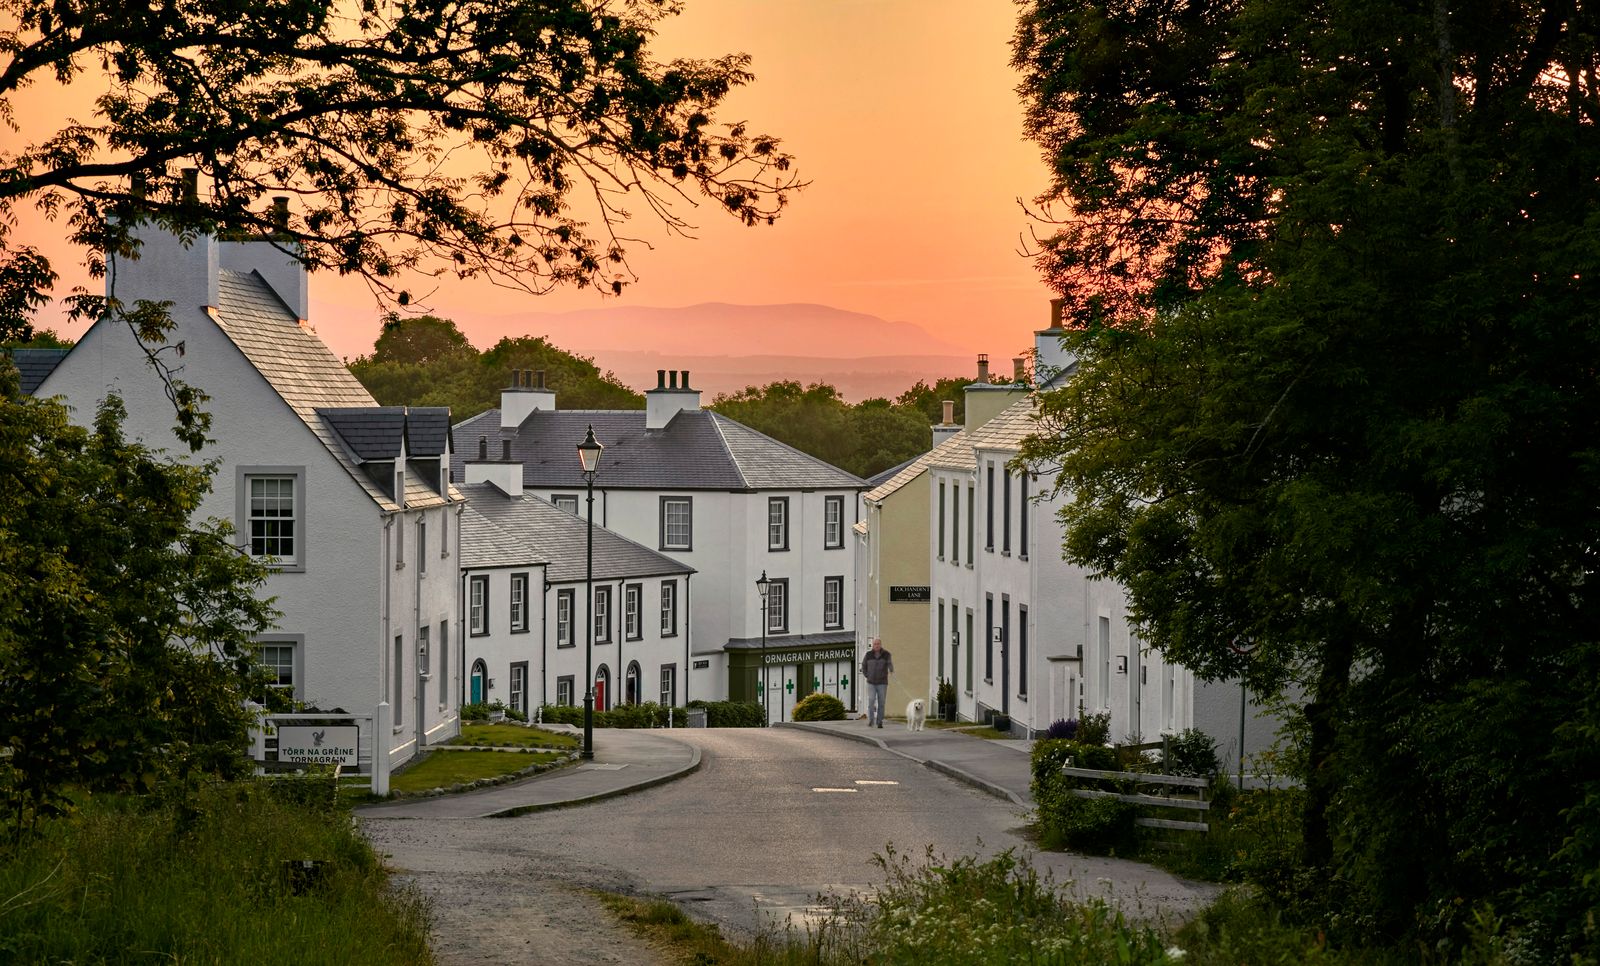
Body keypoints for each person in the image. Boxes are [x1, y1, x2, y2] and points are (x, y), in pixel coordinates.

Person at [861, 638, 894, 728]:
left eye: (878, 644)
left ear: (880, 644)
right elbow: (863, 665)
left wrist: (891, 670)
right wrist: (867, 675)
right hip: (871, 682)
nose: (876, 645)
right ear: (873, 645)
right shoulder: (868, 655)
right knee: (871, 700)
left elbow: (889, 663)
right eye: (875, 644)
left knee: (881, 702)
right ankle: (871, 720)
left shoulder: (886, 654)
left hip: (882, 683)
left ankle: (879, 721)